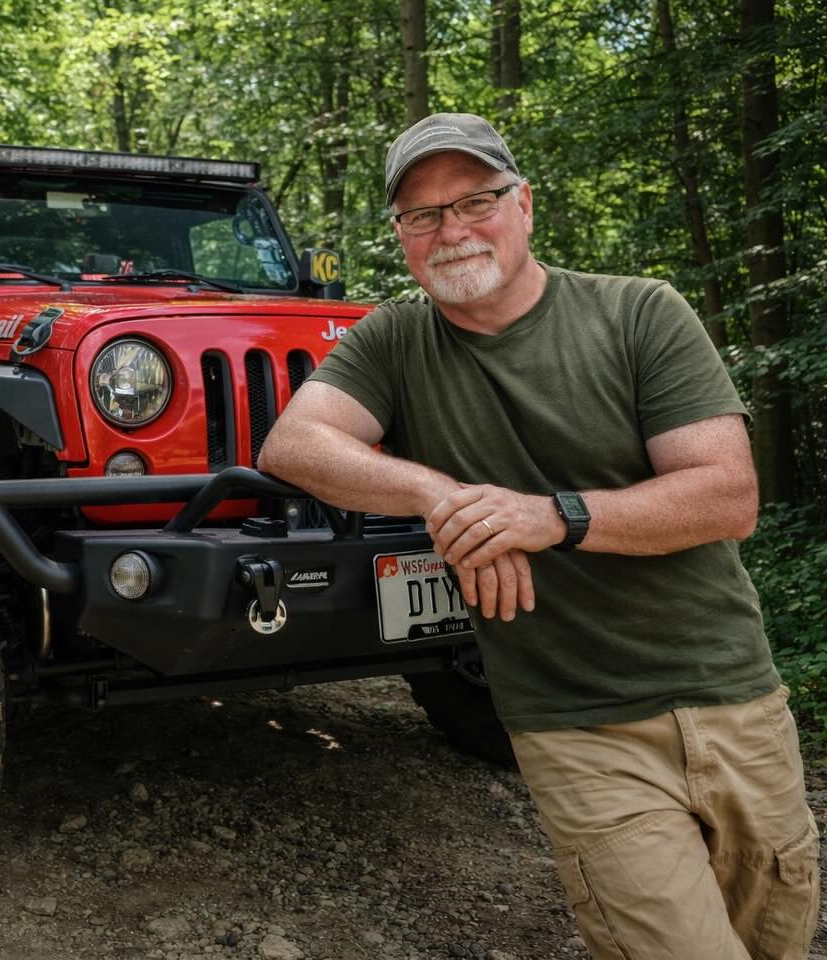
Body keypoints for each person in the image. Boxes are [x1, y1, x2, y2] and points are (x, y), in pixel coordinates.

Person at [258, 112, 820, 959]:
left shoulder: (639, 313)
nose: (451, 231)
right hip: (576, 724)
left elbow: (725, 495)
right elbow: (292, 444)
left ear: (524, 204)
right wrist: (446, 497)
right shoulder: (397, 340)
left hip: (734, 698)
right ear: (403, 236)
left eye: (475, 200)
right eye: (422, 215)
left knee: (772, 942)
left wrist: (548, 517)